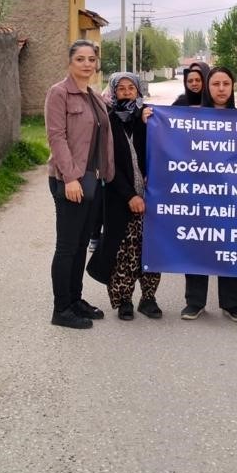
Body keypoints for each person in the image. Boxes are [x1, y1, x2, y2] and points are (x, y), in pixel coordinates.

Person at [45, 39, 115, 329]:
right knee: (67, 247)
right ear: (70, 63)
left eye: (91, 59)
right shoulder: (58, 93)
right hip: (70, 180)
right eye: (80, 59)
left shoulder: (94, 96)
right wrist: (71, 177)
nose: (87, 64)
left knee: (82, 243)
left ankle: (75, 300)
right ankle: (61, 308)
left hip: (92, 180)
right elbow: (56, 137)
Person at [87, 73, 162, 320]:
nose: (127, 92)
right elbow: (109, 165)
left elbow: (163, 152)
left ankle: (148, 298)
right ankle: (124, 300)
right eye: (122, 89)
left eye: (132, 88)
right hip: (121, 198)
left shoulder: (148, 121)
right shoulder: (108, 122)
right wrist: (130, 195)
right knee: (123, 250)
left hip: (151, 198)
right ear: (114, 92)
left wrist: (147, 122)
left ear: (139, 92)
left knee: (150, 249)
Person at [181, 66, 237, 323]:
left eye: (226, 84)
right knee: (199, 245)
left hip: (235, 197)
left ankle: (232, 304)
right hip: (201, 193)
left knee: (233, 248)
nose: (221, 89)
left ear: (232, 88)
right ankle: (194, 302)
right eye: (215, 84)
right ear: (207, 88)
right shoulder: (191, 117)